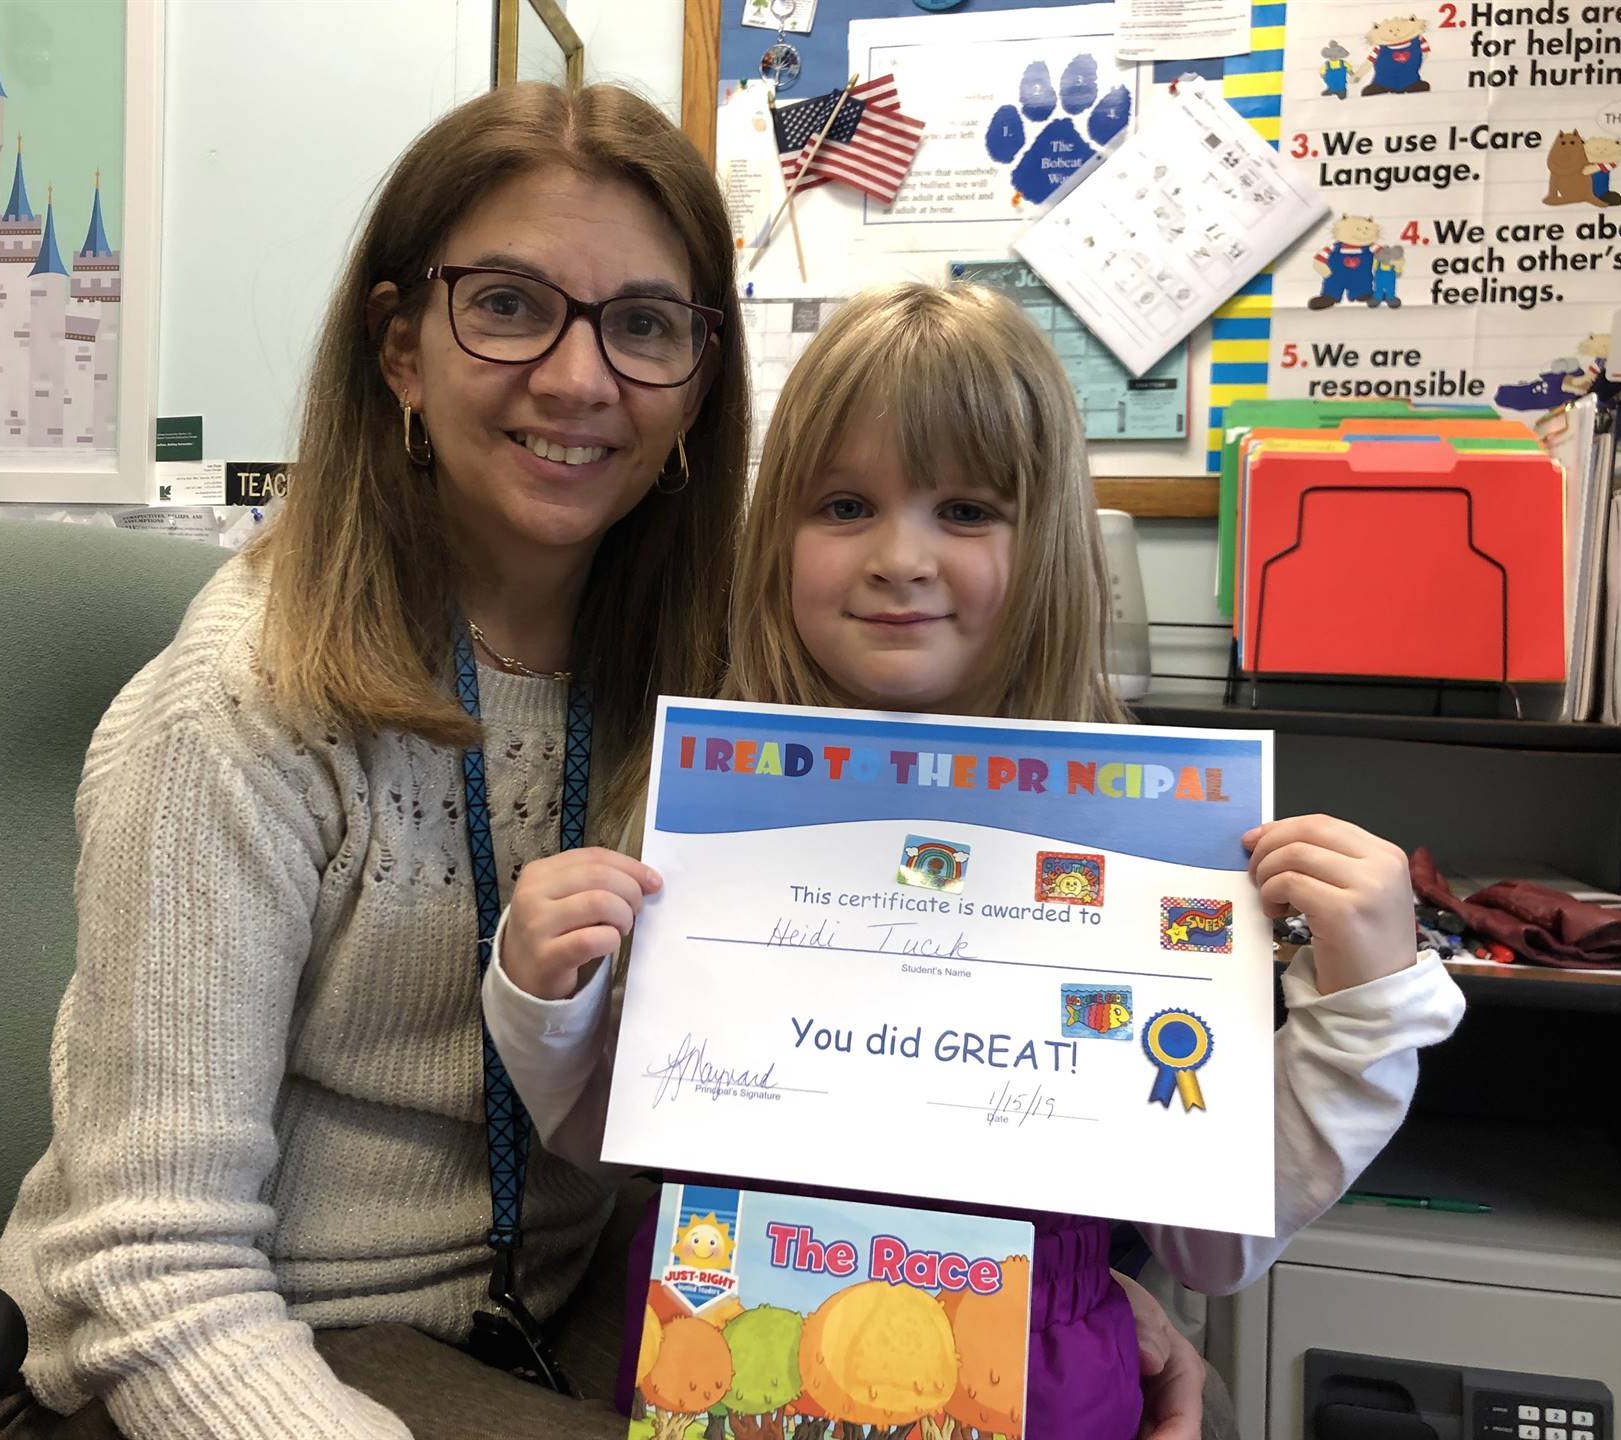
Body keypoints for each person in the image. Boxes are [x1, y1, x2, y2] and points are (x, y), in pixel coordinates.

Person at [485, 283, 1467, 1439]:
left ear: (1047, 536)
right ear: (776, 535)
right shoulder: (706, 805)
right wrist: (546, 988)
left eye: (965, 510)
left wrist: (1366, 1009)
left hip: (1043, 1380)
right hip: (731, 1344)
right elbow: (612, 1137)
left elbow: (1214, 1241)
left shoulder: (1165, 839)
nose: (901, 559)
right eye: (845, 504)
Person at [0, 82, 749, 1440]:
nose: (579, 379)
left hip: (547, 1328)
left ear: (697, 376)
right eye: (508, 304)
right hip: (241, 1358)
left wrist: (1063, 1299)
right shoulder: (239, 709)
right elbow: (152, 1275)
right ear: (399, 349)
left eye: (642, 326)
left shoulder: (714, 695)